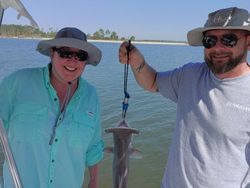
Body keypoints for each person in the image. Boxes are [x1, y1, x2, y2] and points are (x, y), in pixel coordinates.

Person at [119, 7, 250, 188]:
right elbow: (153, 82)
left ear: (248, 42)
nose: (218, 47)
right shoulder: (189, 75)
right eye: (210, 40)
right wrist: (137, 61)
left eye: (229, 39)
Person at [0, 27, 104, 188]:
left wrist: (94, 182)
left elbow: (93, 147)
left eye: (80, 55)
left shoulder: (91, 96)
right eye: (65, 53)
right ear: (52, 53)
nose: (73, 60)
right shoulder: (17, 83)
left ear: (85, 61)